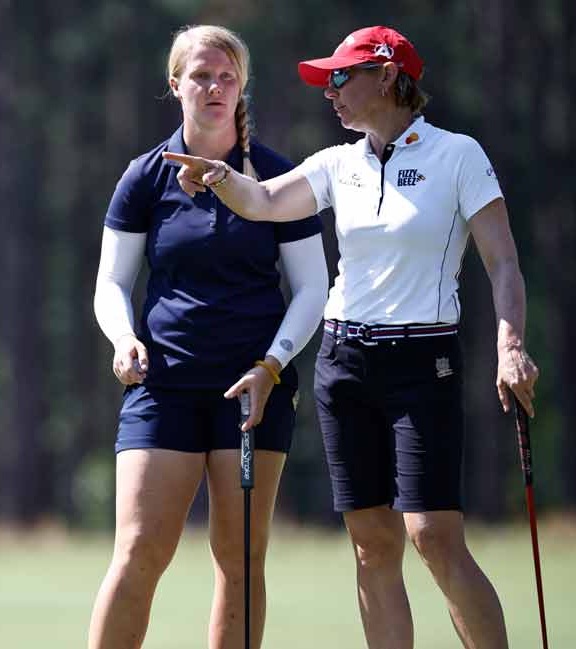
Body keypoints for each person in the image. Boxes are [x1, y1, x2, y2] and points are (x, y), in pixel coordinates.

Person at [164, 25, 540, 649]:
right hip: (345, 362)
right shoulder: (339, 162)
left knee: (433, 536)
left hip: (425, 362)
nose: (330, 92)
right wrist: (218, 177)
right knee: (371, 544)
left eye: (341, 77)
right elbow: (261, 202)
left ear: (387, 76)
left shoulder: (458, 155)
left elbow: (503, 263)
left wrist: (511, 344)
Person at [87, 24, 328, 649]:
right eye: (200, 76)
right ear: (176, 85)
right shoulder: (145, 177)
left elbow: (312, 291)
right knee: (139, 549)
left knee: (240, 558)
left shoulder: (278, 180)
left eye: (226, 76)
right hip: (162, 385)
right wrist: (122, 338)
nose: (214, 87)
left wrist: (272, 366)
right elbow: (112, 281)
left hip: (253, 392)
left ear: (242, 86)